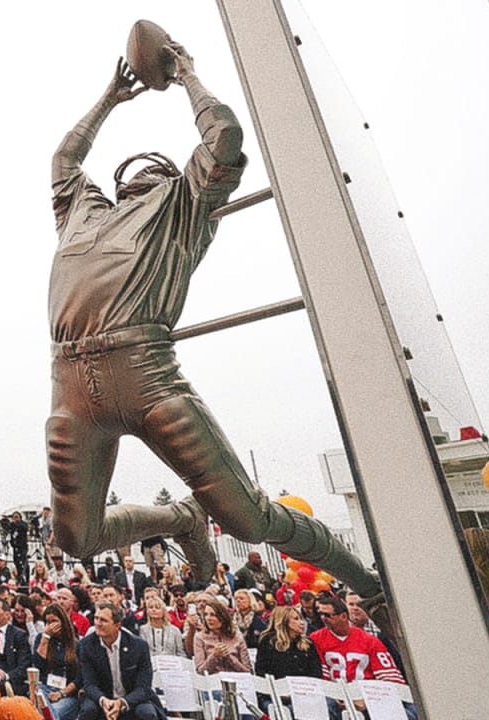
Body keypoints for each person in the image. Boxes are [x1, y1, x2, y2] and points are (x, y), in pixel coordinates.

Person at [44, 41, 382, 606]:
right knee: (75, 539)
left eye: (155, 169)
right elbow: (64, 162)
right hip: (71, 388)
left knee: (248, 520)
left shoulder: (183, 204)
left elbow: (224, 137)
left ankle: (364, 579)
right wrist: (109, 100)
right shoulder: (84, 211)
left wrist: (187, 76)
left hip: (145, 372)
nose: (142, 173)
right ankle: (179, 518)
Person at [309, 595, 415, 720]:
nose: (323, 618)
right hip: (336, 695)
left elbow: (390, 678)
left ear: (343, 616)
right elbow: (322, 678)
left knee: (409, 712)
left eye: (327, 615)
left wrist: (368, 699)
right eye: (320, 614)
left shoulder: (369, 640)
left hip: (369, 694)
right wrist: (339, 695)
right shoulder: (315, 639)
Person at [77, 601, 164, 720]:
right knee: (88, 710)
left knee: (147, 713)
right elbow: (89, 684)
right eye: (96, 618)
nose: (98, 623)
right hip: (101, 697)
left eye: (103, 620)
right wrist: (103, 701)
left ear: (117, 625)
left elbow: (144, 687)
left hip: (132, 697)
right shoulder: (87, 645)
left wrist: (122, 702)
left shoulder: (138, 646)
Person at [253, 605, 319, 715]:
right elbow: (261, 672)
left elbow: (316, 672)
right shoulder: (268, 642)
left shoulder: (308, 644)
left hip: (305, 692)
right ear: (283, 621)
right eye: (296, 619)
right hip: (276, 694)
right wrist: (279, 692)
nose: (302, 623)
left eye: (301, 619)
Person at [31, 604, 82, 720]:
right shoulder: (41, 638)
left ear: (63, 621)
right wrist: (46, 637)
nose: (51, 626)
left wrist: (62, 693)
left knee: (51, 712)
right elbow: (38, 665)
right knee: (40, 704)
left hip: (67, 692)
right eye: (47, 622)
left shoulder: (77, 645)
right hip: (44, 687)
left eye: (54, 621)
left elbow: (80, 678)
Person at [192, 598, 252, 675]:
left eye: (213, 615)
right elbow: (200, 671)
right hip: (212, 682)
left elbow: (247, 671)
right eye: (206, 614)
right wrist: (214, 656)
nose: (208, 618)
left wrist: (229, 657)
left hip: (236, 680)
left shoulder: (237, 636)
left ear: (222, 617)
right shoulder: (200, 637)